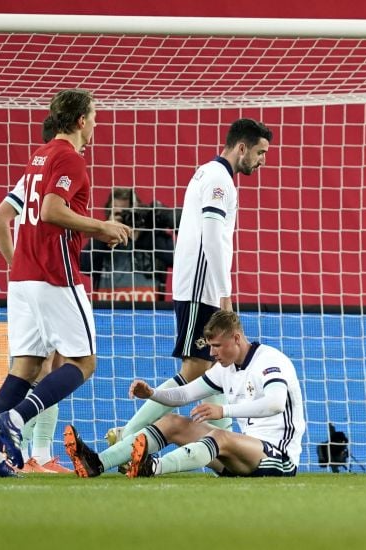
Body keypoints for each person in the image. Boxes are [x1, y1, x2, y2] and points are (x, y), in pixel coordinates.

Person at [0, 89, 131, 476]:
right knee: (84, 362)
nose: (97, 123)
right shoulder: (69, 159)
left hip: (24, 280)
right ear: (81, 121)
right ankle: (17, 420)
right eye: (95, 115)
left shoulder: (39, 157)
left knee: (25, 367)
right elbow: (50, 211)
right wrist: (101, 226)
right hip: (55, 275)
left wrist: (20, 267)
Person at [107, 118, 272, 448]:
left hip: (200, 285)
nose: (262, 160)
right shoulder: (218, 180)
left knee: (215, 371)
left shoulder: (211, 174)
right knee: (198, 369)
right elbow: (211, 237)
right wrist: (224, 293)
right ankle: (127, 434)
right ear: (241, 148)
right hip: (201, 287)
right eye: (259, 152)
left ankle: (224, 447)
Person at [64, 310, 304, 477]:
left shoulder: (270, 360)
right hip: (243, 456)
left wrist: (223, 410)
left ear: (237, 338)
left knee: (221, 436)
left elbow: (275, 404)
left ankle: (152, 467)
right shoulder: (225, 368)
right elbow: (184, 395)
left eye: (217, 346)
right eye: (210, 346)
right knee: (172, 422)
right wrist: (152, 393)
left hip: (278, 458)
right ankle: (97, 463)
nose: (212, 353)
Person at [0, 117, 75, 474]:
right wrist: (19, 263)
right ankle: (37, 454)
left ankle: (12, 454)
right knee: (52, 366)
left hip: (27, 282)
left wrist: (15, 266)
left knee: (37, 367)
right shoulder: (44, 177)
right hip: (42, 281)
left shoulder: (30, 179)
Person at [80, 187, 175, 302]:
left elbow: (175, 259)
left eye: (127, 213)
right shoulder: (102, 241)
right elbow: (84, 266)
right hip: (106, 312)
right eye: (119, 214)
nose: (125, 218)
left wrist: (140, 236)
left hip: (149, 313)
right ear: (110, 213)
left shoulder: (152, 237)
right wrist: (105, 231)